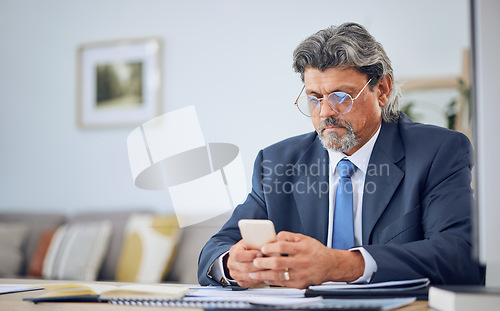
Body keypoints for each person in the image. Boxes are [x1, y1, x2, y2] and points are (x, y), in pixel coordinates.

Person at [198, 22, 483, 288]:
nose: (325, 112)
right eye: (315, 98)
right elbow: (216, 248)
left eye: (341, 97)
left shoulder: (437, 152)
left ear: (382, 90)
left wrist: (342, 265)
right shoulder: (276, 162)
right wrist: (231, 264)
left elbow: (460, 253)